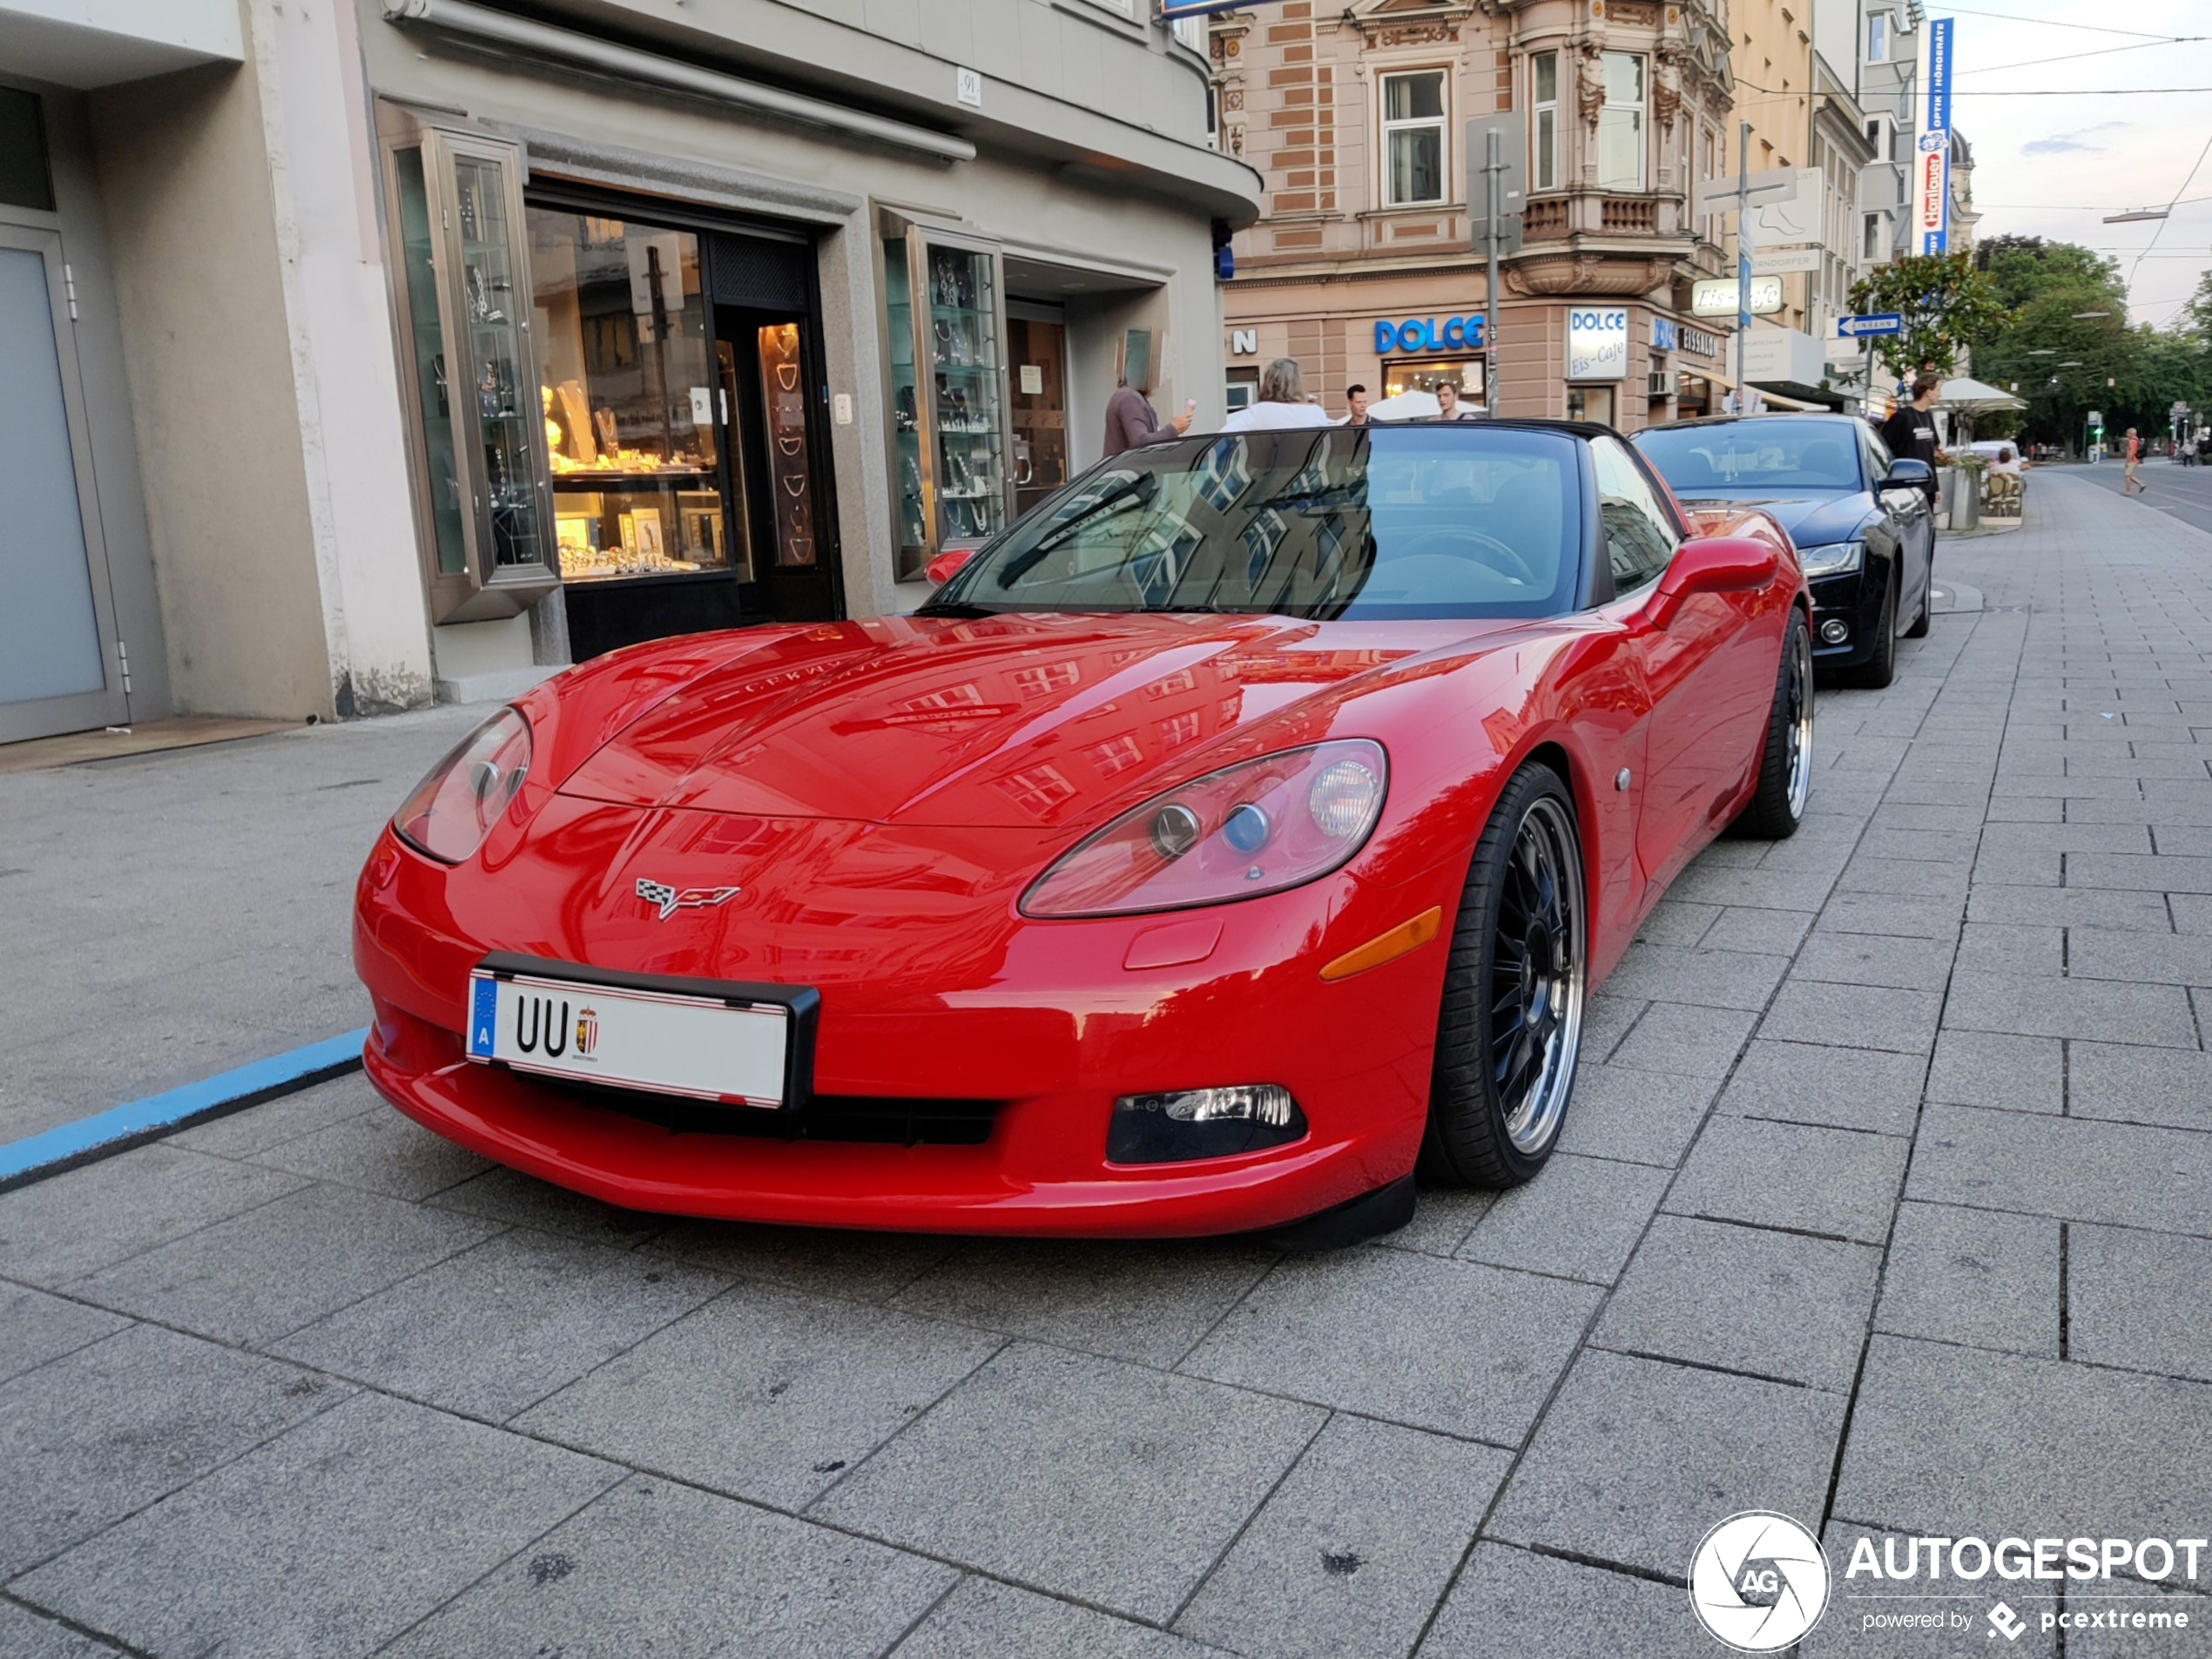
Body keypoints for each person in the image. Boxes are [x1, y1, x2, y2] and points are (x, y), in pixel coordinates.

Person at [1878, 375, 1946, 509]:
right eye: (1938, 389)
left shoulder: (1928, 416)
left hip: (1928, 489)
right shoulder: (1902, 417)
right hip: (1907, 489)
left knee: (1928, 528)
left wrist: (1936, 487)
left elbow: (1930, 455)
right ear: (1928, 392)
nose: (1940, 394)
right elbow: (1884, 450)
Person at [1218, 357, 1332, 433]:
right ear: (1298, 383)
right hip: (1307, 469)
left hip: (1265, 469)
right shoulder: (1316, 413)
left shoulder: (1259, 412)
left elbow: (1223, 435)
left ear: (1268, 383)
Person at [1102, 375, 1192, 458]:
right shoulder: (1129, 398)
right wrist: (1173, 429)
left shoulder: (1129, 396)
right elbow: (1140, 442)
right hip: (1128, 472)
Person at [2123, 427, 2146, 495]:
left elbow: (2132, 451)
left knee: (2127, 476)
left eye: (2128, 433)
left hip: (2132, 460)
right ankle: (2141, 484)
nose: (2127, 435)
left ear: (2131, 433)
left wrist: (2128, 460)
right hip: (2136, 460)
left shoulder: (2132, 441)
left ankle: (2128, 491)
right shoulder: (2137, 440)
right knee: (2131, 475)